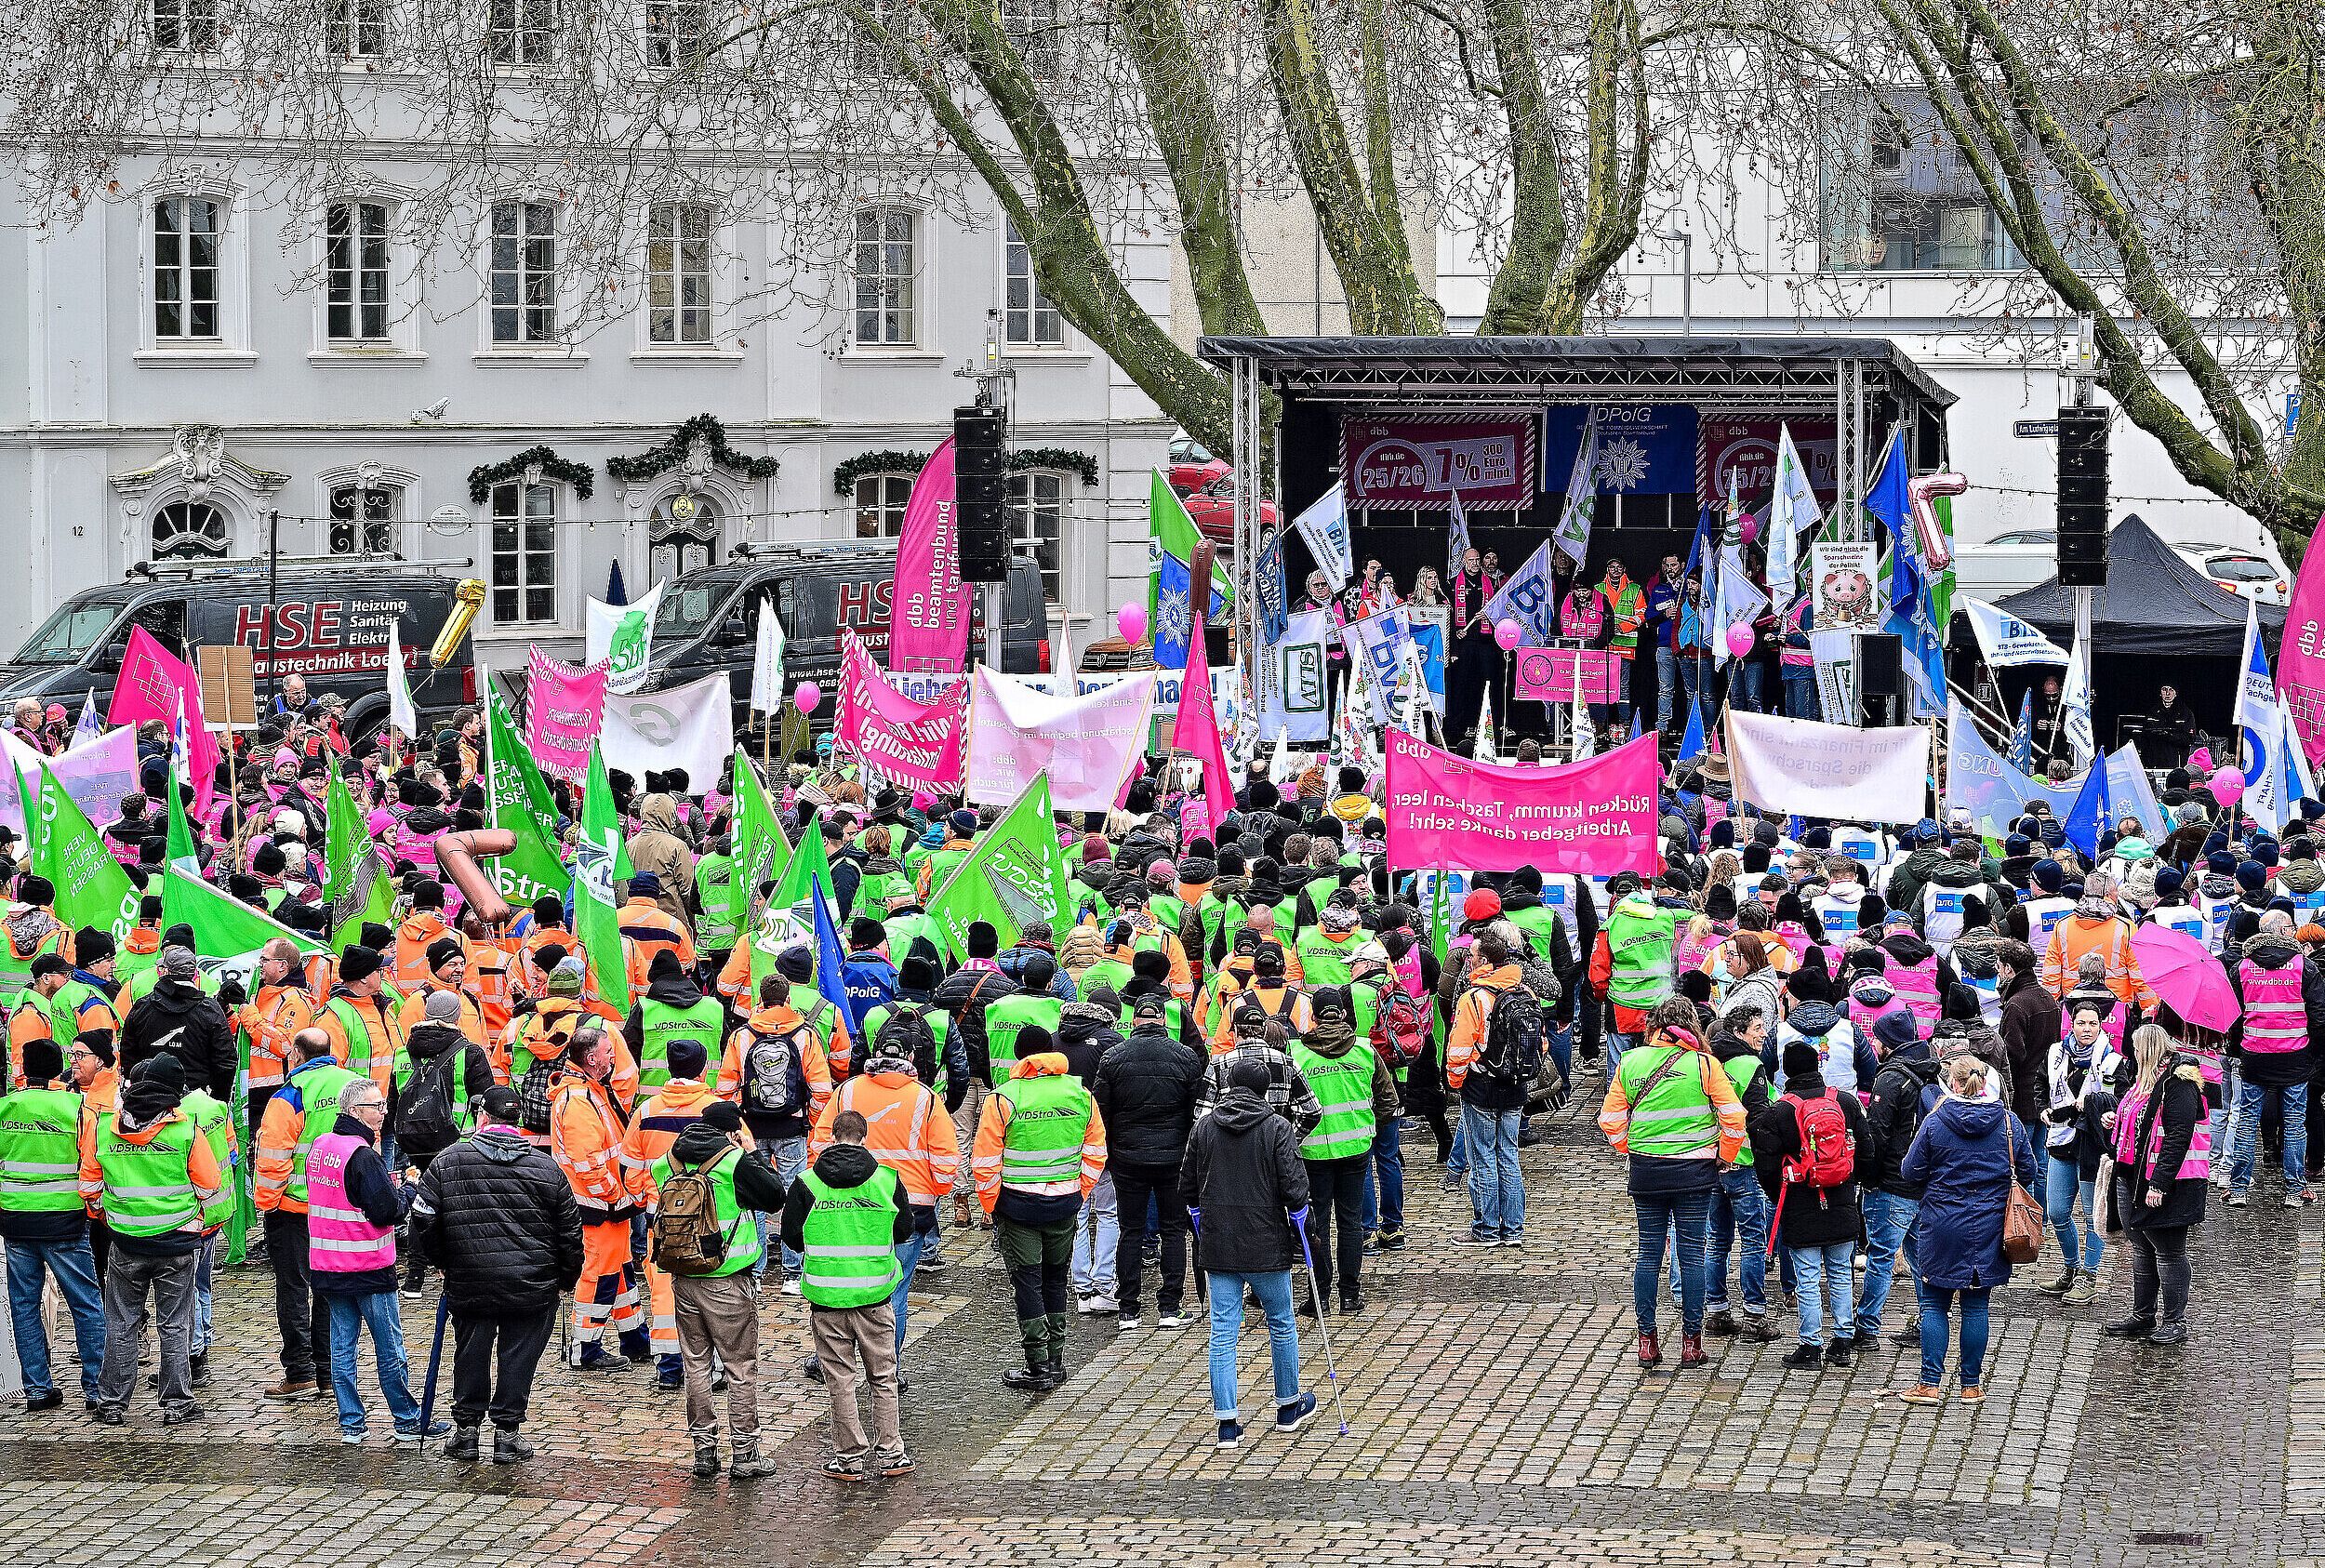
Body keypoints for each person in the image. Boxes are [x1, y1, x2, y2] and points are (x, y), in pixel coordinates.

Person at [410, 1086, 584, 1463]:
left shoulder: (448, 1161)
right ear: (516, 1120)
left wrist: (443, 1260)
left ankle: (466, 1432)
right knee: (519, 1356)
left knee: (470, 1352)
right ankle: (507, 1433)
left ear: (482, 1117)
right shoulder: (547, 1168)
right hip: (532, 1284)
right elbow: (571, 1232)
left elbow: (422, 1217)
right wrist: (566, 1279)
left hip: (470, 1279)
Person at [1598, 996, 1746, 1370]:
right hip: (1695, 1174)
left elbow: (1610, 1119)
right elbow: (1734, 1117)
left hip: (1647, 1171)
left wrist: (1633, 1148)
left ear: (1654, 1027)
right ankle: (1692, 1343)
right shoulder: (1706, 1065)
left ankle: (1646, 1342)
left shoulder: (1631, 1062)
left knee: (1648, 1253)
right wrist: (1725, 1155)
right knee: (1692, 1254)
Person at [1181, 1055, 1315, 1449]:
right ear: (1264, 1090)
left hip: (1220, 1242)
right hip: (1265, 1242)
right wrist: (1302, 1221)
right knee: (1281, 1322)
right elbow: (1295, 1188)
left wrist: (1200, 1220)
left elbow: (1187, 1187)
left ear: (1228, 1086)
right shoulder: (1277, 1127)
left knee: (1223, 1331)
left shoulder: (1205, 1127)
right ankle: (1288, 1406)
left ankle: (1227, 1423)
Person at [651, 1098, 790, 1478]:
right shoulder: (734, 1162)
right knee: (739, 1368)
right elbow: (775, 1196)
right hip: (727, 1281)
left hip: (683, 1278)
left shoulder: (668, 1162)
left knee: (696, 1365)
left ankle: (704, 1452)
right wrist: (751, 1153)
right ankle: (745, 1454)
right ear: (732, 1131)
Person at [85, 1053, 225, 1426]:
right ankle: (177, 1403)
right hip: (176, 1243)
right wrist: (189, 1214)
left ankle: (112, 1403)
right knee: (175, 1324)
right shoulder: (186, 1131)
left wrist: (111, 1215)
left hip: (125, 1244)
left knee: (121, 1323)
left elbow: (89, 1188)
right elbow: (209, 1186)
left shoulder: (104, 1128)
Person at [779, 1105, 916, 1483]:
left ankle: (849, 1458)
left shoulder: (807, 1183)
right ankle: (892, 1453)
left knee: (840, 1379)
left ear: (832, 1137)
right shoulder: (886, 1180)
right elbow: (905, 1230)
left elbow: (790, 1237)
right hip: (875, 1296)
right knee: (884, 1376)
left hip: (827, 1298)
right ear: (864, 1138)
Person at [1896, 1056, 2040, 1404]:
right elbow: (2030, 1170)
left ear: (1953, 1084)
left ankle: (1929, 1384)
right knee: (1976, 1306)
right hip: (1991, 1225)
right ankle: (1971, 1386)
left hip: (1942, 1224)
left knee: (1934, 1304)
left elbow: (1910, 1172)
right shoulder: (2008, 1122)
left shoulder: (1935, 1123)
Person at [309, 1079, 441, 1443]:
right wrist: (409, 1188)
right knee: (390, 1347)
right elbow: (388, 1211)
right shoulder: (363, 1155)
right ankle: (407, 1420)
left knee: (341, 1348)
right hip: (367, 1265)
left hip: (328, 1264)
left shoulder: (321, 1146)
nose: (384, 1111)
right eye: (376, 1106)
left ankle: (351, 1423)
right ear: (355, 1111)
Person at [973, 1044, 1109, 1391]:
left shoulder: (1004, 1098)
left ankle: (1037, 1364)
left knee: (1027, 1281)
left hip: (1017, 1207)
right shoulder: (1081, 1094)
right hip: (1064, 1204)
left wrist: (992, 1205)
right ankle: (1056, 1360)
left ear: (1020, 1058)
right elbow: (1096, 1151)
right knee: (1055, 1279)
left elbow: (985, 1161)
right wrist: (1079, 1192)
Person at [251, 1027, 363, 1401]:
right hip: (339, 1206)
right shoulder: (354, 1086)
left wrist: (267, 1204)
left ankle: (300, 1373)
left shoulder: (290, 1095)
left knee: (293, 1289)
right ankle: (328, 1373)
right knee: (329, 1289)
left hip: (293, 1208)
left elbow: (274, 1157)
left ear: (297, 1055)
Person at [1750, 1041, 1875, 1366]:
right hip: (1842, 1200)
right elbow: (1867, 1149)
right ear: (1818, 1066)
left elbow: (1766, 1167)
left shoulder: (1779, 1112)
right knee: (1841, 1273)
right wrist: (1850, 1180)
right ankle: (1843, 1340)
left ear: (1786, 1071)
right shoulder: (1844, 1102)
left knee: (1806, 1278)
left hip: (1799, 1203)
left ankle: (1810, 1346)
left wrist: (1781, 1197)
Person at [0, 1037, 107, 1412]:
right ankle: (96, 1388)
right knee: (86, 1303)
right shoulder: (78, 1108)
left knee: (24, 1305)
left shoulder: (5, 1108)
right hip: (65, 1221)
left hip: (16, 1220)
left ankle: (37, 1389)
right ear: (58, 1069)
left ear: (25, 1069)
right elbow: (94, 1162)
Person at [1093, 986, 1206, 1330]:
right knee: (1173, 1231)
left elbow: (1101, 1111)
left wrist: (1109, 1150)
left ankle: (1128, 1309)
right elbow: (1195, 1111)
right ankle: (1170, 1307)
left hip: (1127, 1156)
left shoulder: (1113, 1058)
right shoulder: (1185, 1057)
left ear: (1134, 1021)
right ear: (1162, 1020)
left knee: (1130, 1229)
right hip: (1174, 1157)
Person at [1289, 985, 1400, 1315]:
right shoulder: (1365, 1050)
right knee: (1351, 1222)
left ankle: (1319, 1297)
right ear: (1342, 1014)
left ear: (1313, 1017)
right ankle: (1350, 1295)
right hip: (1356, 1149)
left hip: (1313, 1154)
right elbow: (1389, 1101)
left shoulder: (1298, 1054)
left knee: (1318, 1223)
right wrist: (1367, 1127)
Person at [2106, 1024, 2208, 1345]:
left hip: (2165, 1183)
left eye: (2137, 1049)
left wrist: (2159, 1184)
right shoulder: (2143, 1081)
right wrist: (2115, 1119)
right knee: (2141, 1247)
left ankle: (2175, 1320)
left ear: (2147, 1051)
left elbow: (2178, 1137)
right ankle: (2143, 1315)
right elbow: (2141, 1122)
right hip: (2131, 1175)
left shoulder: (2179, 1084)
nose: (2132, 1054)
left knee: (2169, 1251)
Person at [2225, 910, 2325, 1205]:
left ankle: (2239, 1188)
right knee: (2295, 1124)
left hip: (2255, 1055)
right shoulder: (2304, 967)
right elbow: (2320, 1014)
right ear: (2282, 931)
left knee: (2247, 1122)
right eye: (2291, 927)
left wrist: (2237, 1048)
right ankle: (2295, 1190)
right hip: (2295, 1055)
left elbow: (2233, 1015)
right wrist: (2313, 1051)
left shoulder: (2242, 968)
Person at [1444, 930, 1537, 1246]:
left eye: (1471, 955)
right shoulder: (1524, 992)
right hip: (1515, 1085)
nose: (1467, 959)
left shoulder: (1474, 998)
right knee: (1509, 1155)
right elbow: (1539, 1043)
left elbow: (1459, 1048)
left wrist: (1456, 1082)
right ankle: (1513, 1230)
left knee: (1483, 1157)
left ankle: (1486, 1229)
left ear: (1483, 960)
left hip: (1481, 1086)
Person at [2038, 1000, 2120, 1304]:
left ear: (2101, 1026)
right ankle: (2070, 1268)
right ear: (2071, 1025)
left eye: (2093, 1024)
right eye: (2082, 1023)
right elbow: (2041, 1085)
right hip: (2060, 1138)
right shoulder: (2055, 1054)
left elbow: (2120, 1099)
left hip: (2091, 1144)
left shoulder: (2112, 1060)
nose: (2087, 1029)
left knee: (2091, 1214)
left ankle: (2089, 1275)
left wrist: (2097, 1107)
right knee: (2058, 1212)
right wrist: (2042, 1108)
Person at [1702, 1005, 1775, 1341]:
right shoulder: (1750, 1065)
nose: (1763, 1033)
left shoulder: (1709, 1063)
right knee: (1752, 1241)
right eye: (1757, 1028)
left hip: (1711, 1161)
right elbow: (1758, 1118)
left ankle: (1716, 1312)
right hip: (1743, 1163)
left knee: (1717, 1240)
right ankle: (1755, 1316)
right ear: (1739, 1033)